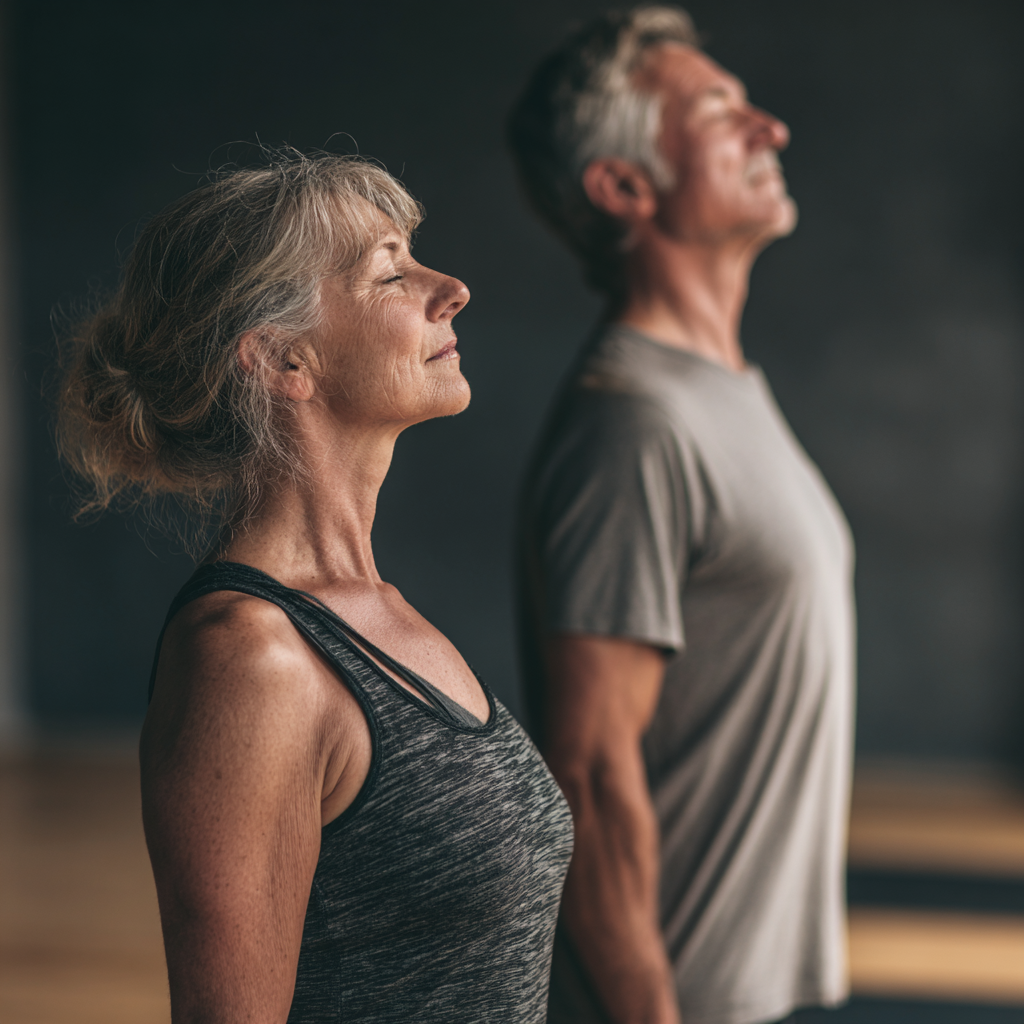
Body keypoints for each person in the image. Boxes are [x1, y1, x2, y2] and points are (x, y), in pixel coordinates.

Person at [57, 152, 574, 1023]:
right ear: (282, 361)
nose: (450, 287)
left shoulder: (380, 614)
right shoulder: (251, 659)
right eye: (390, 270)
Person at [508, 8, 854, 1024]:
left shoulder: (719, 385)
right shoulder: (632, 422)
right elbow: (587, 769)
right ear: (623, 187)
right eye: (719, 111)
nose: (769, 129)